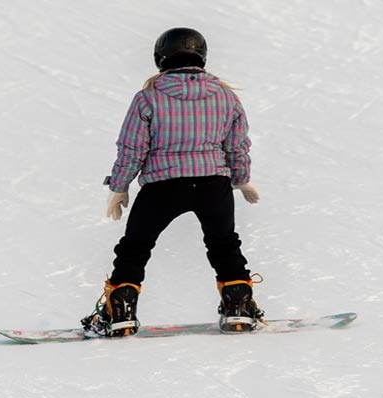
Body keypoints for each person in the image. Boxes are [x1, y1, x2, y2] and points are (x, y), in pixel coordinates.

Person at [81, 27, 264, 337]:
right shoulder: (225, 96)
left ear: (160, 58)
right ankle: (239, 309)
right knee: (224, 245)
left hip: (162, 187)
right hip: (213, 185)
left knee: (135, 249)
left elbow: (132, 148)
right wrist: (242, 180)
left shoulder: (148, 98)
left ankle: (120, 313)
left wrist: (120, 186)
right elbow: (237, 145)